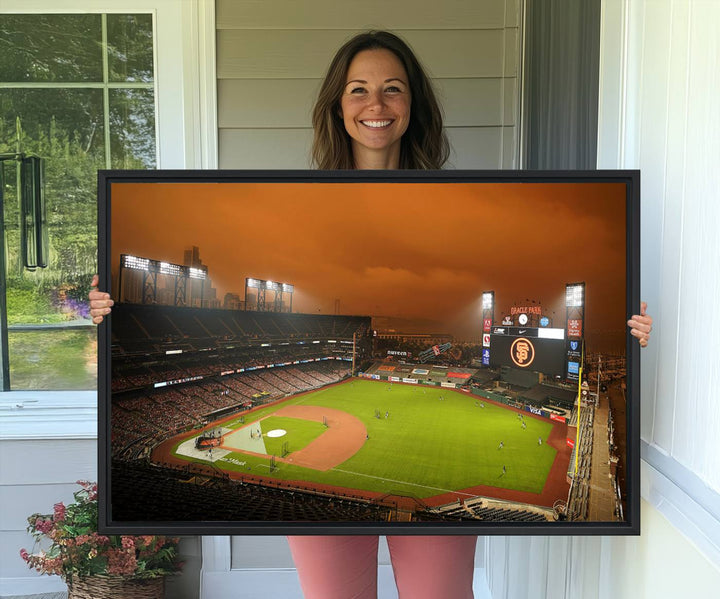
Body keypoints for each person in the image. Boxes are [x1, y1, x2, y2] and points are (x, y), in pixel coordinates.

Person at [89, 29, 653, 599]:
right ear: (338, 105)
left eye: (393, 89)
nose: (375, 105)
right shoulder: (297, 200)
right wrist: (105, 313)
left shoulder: (457, 199)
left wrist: (632, 335)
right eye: (358, 90)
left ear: (413, 105)